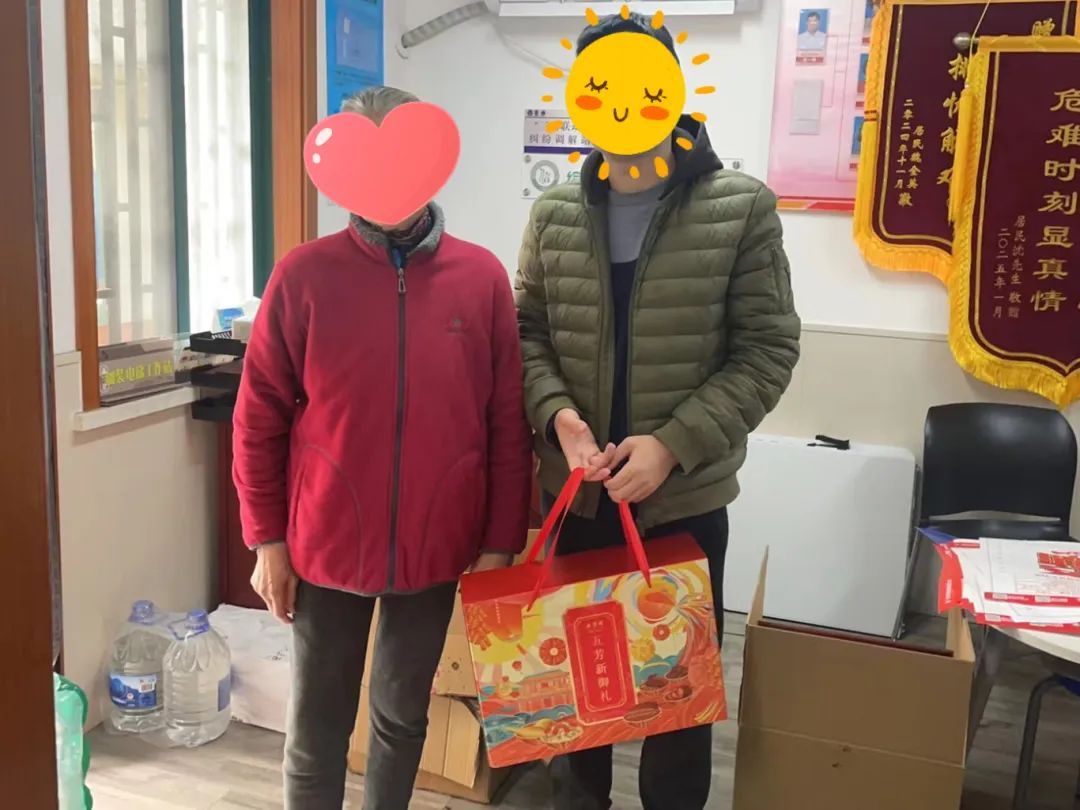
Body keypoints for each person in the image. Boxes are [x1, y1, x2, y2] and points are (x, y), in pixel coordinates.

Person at [515, 13, 801, 810]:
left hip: (680, 506)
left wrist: (672, 446)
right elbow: (527, 333)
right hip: (576, 499)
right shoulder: (553, 214)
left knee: (676, 708)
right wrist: (557, 417)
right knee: (581, 699)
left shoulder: (740, 207)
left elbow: (768, 350)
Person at [232, 86, 533, 810]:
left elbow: (505, 421)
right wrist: (267, 540)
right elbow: (257, 418)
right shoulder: (304, 275)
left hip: (438, 543)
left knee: (401, 719)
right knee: (317, 728)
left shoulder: (481, 278)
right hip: (326, 543)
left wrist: (500, 543)